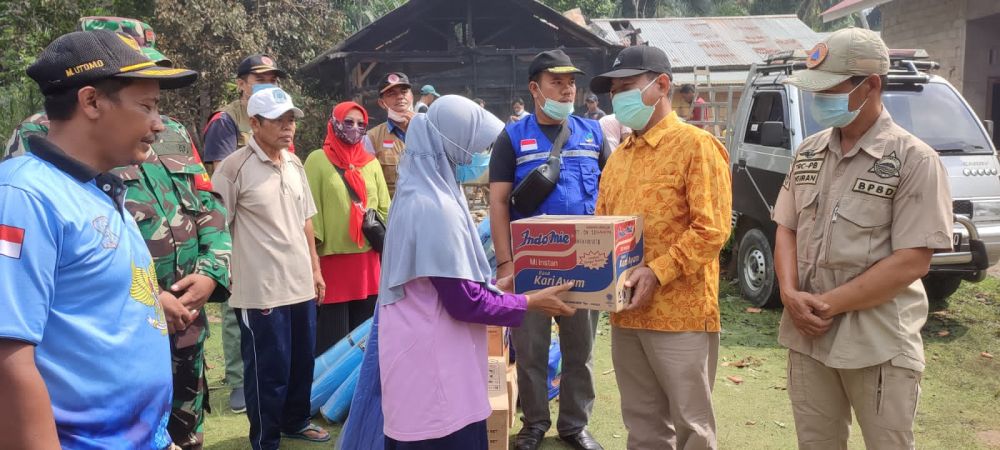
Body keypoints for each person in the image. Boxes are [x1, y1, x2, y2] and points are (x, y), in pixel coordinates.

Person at [4, 17, 232, 450]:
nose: (159, 124)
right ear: (91, 101)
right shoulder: (24, 196)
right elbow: (8, 360)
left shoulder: (100, 190)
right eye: (146, 107)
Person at [773, 28, 952, 449]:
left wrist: (825, 305)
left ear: (870, 85)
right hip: (809, 337)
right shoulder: (809, 152)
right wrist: (788, 292)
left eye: (829, 88)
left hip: (879, 342)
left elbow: (913, 259)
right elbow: (787, 226)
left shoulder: (914, 160)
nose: (819, 99)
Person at [377, 94, 577, 449]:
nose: (477, 159)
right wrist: (529, 302)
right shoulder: (434, 208)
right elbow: (463, 301)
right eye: (474, 149)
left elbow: (440, 282)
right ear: (453, 146)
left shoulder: (416, 191)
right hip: (434, 365)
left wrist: (495, 287)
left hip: (417, 353)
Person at [590, 45, 732, 450]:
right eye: (613, 91)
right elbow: (601, 229)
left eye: (627, 87)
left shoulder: (696, 146)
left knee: (692, 427)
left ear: (662, 85)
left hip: (680, 314)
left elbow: (712, 229)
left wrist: (657, 271)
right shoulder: (618, 158)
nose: (618, 98)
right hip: (627, 314)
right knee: (642, 425)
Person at [489, 49, 610, 450]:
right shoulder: (511, 138)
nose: (567, 89)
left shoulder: (593, 133)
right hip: (531, 267)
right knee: (531, 349)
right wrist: (505, 264)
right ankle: (535, 423)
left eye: (571, 82)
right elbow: (498, 202)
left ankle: (575, 425)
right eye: (556, 82)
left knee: (581, 350)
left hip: (586, 264)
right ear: (535, 88)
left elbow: (612, 193)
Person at [211, 86, 330, 449]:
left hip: (300, 283)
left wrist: (315, 268)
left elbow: (306, 220)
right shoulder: (233, 168)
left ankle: (296, 421)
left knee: (301, 362)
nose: (288, 127)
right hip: (260, 289)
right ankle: (266, 439)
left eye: (291, 119)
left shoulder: (294, 163)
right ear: (255, 123)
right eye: (279, 120)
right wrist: (224, 270)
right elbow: (216, 225)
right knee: (268, 369)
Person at [201, 53, 287, 413]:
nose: (268, 84)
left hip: (273, 222)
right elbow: (222, 183)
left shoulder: (280, 116)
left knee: (270, 302)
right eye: (259, 79)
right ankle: (238, 379)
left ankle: (266, 374)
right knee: (238, 301)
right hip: (238, 225)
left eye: (272, 79)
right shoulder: (226, 121)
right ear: (241, 84)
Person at [305, 102, 390, 355]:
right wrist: (313, 264)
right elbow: (309, 212)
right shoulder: (317, 160)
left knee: (366, 343)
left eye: (360, 124)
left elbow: (385, 208)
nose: (354, 128)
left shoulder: (371, 163)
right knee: (333, 344)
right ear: (334, 123)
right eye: (348, 122)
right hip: (332, 265)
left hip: (368, 264)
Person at [363, 72, 415, 196]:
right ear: (382, 103)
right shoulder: (372, 138)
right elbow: (368, 183)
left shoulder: (431, 130)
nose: (400, 97)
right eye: (392, 94)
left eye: (404, 91)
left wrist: (418, 128)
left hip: (427, 206)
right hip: (392, 207)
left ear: (412, 96)